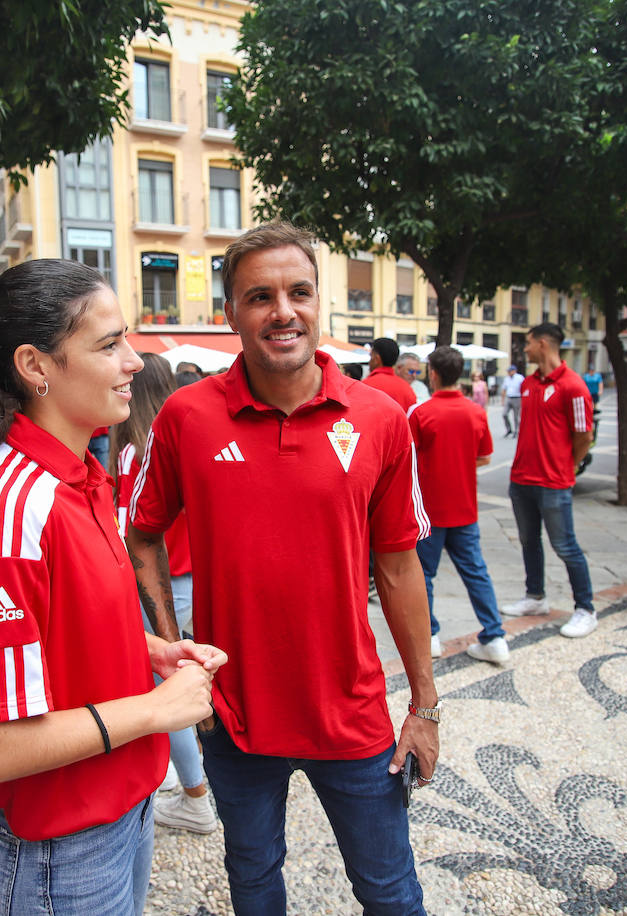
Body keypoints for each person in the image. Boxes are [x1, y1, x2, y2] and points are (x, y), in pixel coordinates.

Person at [0, 259, 225, 915]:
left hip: (115, 814)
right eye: (109, 345)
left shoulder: (78, 475)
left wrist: (147, 651)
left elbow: (63, 626)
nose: (134, 361)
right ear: (35, 366)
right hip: (58, 854)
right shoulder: (14, 507)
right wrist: (156, 711)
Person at [127, 223, 439, 915]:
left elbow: (399, 568)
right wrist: (180, 660)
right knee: (255, 877)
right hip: (235, 715)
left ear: (318, 300)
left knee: (390, 891)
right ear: (231, 312)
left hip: (349, 711)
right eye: (259, 296)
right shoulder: (185, 416)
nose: (282, 311)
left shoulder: (381, 418)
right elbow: (142, 535)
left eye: (298, 292)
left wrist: (424, 705)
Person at [112, 353, 218, 835]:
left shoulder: (135, 450)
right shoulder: (186, 436)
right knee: (188, 673)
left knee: (164, 686)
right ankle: (196, 775)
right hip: (191, 574)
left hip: (156, 581)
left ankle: (196, 795)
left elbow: (129, 528)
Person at [410, 347, 509, 664]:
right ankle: (494, 636)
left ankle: (432, 636)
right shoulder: (477, 412)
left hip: (429, 512)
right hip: (465, 509)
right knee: (476, 572)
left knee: (424, 574)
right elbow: (485, 457)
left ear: (433, 373)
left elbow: (407, 459)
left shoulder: (420, 412)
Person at [501, 324, 598, 638]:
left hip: (553, 483)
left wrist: (566, 467)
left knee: (565, 546)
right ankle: (535, 597)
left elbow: (585, 436)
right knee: (529, 542)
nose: (525, 349)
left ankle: (585, 608)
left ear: (542, 344)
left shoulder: (573, 386)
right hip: (522, 481)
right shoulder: (528, 383)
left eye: (528, 344)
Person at [363, 337, 418, 411]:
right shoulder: (407, 389)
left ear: (377, 359)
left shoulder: (365, 386)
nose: (369, 362)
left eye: (371, 356)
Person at [501, 364, 524, 437]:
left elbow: (523, 388)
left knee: (516, 416)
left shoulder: (520, 378)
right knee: (504, 414)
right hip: (509, 397)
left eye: (510, 371)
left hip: (517, 397)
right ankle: (509, 429)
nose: (509, 372)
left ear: (514, 371)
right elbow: (504, 389)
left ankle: (516, 430)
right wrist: (503, 399)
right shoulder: (506, 379)